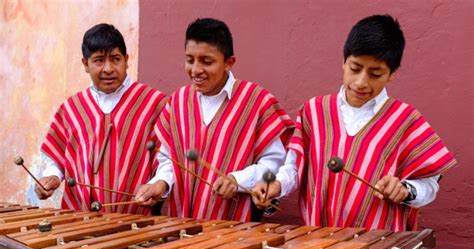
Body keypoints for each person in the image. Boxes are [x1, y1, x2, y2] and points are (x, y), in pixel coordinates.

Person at [252, 15, 456, 231]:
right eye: (355, 68)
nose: (361, 82)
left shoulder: (406, 121)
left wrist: (406, 190)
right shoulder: (313, 111)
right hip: (319, 241)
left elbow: (430, 186)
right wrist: (276, 185)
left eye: (375, 74)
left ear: (392, 74)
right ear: (343, 61)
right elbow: (293, 168)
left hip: (379, 246)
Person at [136, 18, 294, 221]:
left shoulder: (257, 101)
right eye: (190, 60)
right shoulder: (176, 102)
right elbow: (168, 160)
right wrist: (161, 183)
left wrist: (237, 180)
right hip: (182, 226)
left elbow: (274, 163)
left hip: (236, 230)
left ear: (229, 62)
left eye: (206, 62)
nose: (195, 70)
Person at [35, 23, 168, 214]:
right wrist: (52, 177)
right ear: (85, 64)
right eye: (98, 60)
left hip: (135, 221)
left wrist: (157, 185)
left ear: (126, 60)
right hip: (77, 222)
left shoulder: (154, 104)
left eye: (115, 59)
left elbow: (168, 161)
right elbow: (56, 159)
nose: (108, 69)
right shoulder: (72, 108)